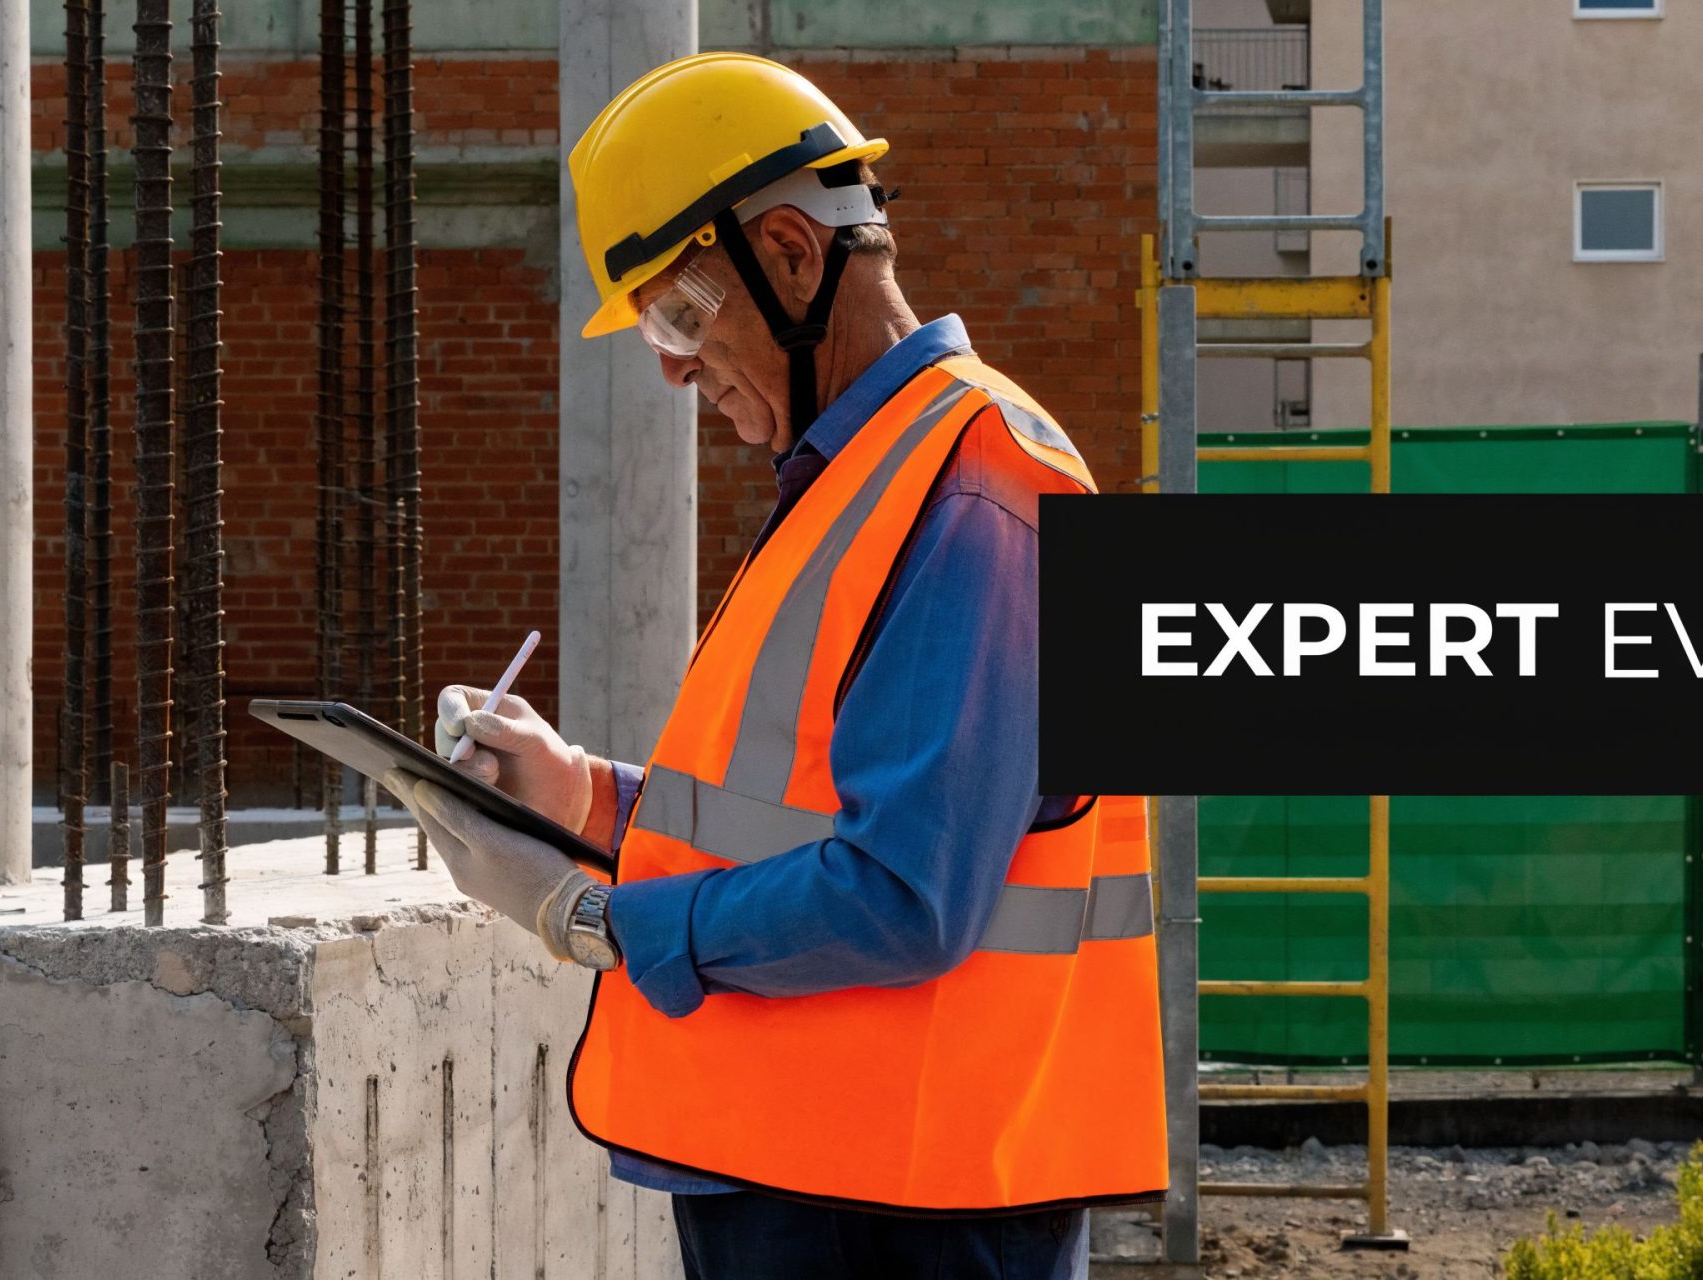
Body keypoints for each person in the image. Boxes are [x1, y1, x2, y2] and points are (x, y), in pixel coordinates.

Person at [381, 51, 1164, 1280]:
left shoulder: (978, 489)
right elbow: (785, 811)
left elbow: (904, 894)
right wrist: (582, 792)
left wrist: (590, 918)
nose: (670, 365)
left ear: (792, 254)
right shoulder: (866, 479)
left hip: (908, 1208)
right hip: (831, 1179)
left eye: (677, 317)